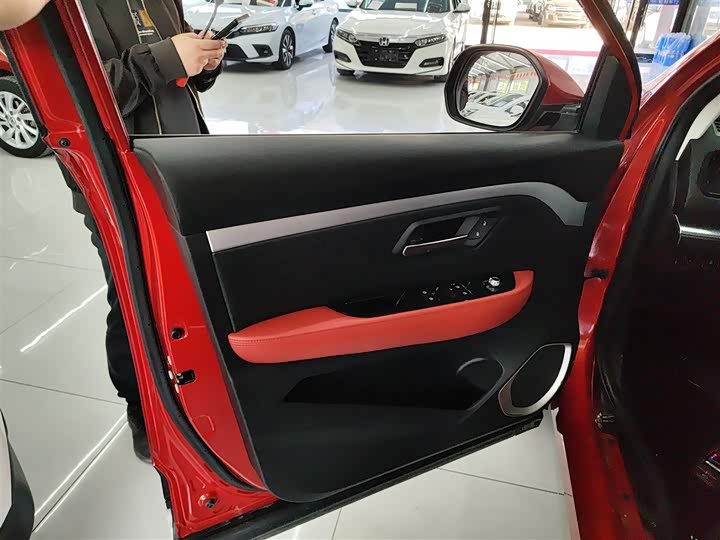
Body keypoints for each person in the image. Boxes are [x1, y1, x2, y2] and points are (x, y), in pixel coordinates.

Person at [57, 0, 227, 462]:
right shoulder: (53, 10)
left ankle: (200, 384)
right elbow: (71, 102)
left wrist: (205, 60)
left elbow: (181, 69)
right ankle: (142, 407)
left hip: (186, 167)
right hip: (118, 183)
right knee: (135, 296)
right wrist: (166, 58)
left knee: (194, 283)